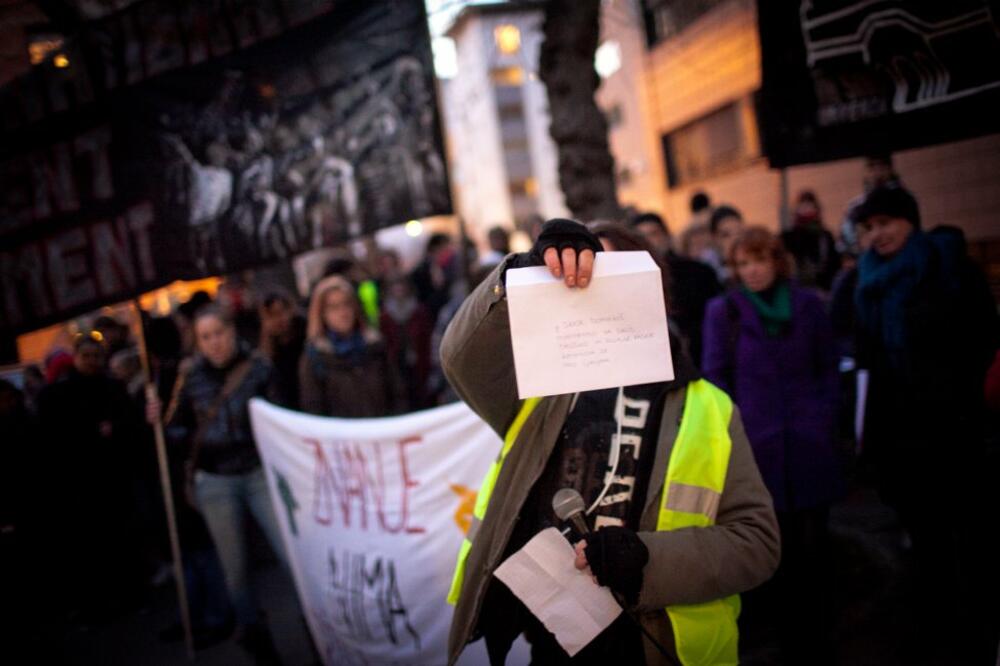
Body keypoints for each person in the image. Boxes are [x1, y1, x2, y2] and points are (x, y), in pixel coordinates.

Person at [442, 218, 779, 665]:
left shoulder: (709, 407)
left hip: (651, 642)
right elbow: (461, 358)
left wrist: (647, 560)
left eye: (612, 275)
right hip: (553, 631)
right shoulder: (545, 388)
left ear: (656, 293)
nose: (593, 287)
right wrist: (519, 274)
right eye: (577, 276)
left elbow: (756, 543)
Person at [851, 185, 1000, 662]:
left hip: (954, 427)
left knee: (972, 536)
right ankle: (940, 628)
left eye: (884, 224)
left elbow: (982, 338)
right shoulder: (866, 281)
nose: (877, 235)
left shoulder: (948, 266)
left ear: (909, 221)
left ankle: (982, 627)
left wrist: (958, 400)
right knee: (926, 539)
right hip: (902, 436)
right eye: (868, 227)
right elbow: (865, 356)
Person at [702, 226, 844, 663]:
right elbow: (715, 379)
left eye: (759, 260)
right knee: (772, 556)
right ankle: (788, 645)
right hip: (757, 451)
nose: (752, 271)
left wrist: (822, 419)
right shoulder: (723, 312)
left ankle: (819, 642)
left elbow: (829, 368)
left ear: (777, 261)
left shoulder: (807, 305)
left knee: (814, 552)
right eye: (743, 263)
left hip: (809, 447)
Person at [151, 305, 286, 664]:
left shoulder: (258, 367)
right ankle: (259, 645)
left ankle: (318, 634)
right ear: (198, 341)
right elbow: (173, 430)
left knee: (289, 554)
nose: (215, 343)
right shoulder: (190, 376)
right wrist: (159, 418)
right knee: (236, 570)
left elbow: (280, 416)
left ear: (231, 331)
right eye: (206, 337)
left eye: (219, 333)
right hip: (216, 480)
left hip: (256, 471)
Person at [37, 333, 145, 620]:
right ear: (76, 357)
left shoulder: (111, 387)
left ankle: (129, 595)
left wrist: (116, 429)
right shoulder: (59, 394)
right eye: (86, 356)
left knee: (120, 539)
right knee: (91, 546)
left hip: (113, 478)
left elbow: (130, 423)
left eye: (96, 356)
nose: (92, 362)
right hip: (81, 483)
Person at [299, 275, 404, 417]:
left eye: (346, 304)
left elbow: (397, 392)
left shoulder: (375, 346)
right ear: (322, 314)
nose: (343, 313)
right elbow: (314, 409)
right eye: (334, 307)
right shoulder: (315, 357)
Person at [629, 212, 721, 368]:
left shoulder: (699, 272)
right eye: (642, 237)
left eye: (654, 234)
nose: (649, 241)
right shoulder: (630, 285)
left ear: (666, 235)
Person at [380, 275, 433, 410]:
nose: (398, 289)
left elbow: (427, 337)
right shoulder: (385, 315)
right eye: (394, 286)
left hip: (420, 362)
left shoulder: (419, 311)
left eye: (401, 285)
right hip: (397, 363)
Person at [257, 287, 306, 410]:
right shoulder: (266, 353)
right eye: (271, 316)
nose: (278, 320)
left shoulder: (306, 337)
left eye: (280, 312)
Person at [780, 190, 839, 290]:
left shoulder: (825, 236)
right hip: (796, 289)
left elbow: (833, 265)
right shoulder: (788, 237)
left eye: (809, 205)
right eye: (802, 206)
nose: (805, 209)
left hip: (822, 289)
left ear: (816, 209)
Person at [411, 232, 456, 323]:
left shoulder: (447, 266)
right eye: (445, 247)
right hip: (431, 314)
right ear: (435, 248)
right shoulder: (422, 269)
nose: (448, 250)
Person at [708, 205, 745, 285]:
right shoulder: (709, 275)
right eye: (726, 235)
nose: (735, 240)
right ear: (714, 238)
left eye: (739, 233)